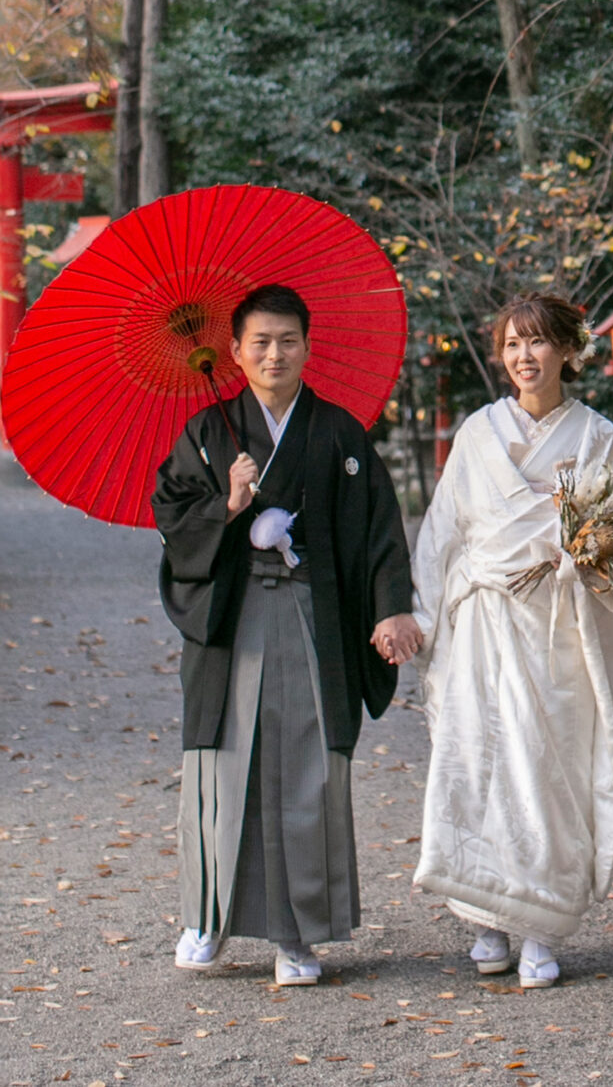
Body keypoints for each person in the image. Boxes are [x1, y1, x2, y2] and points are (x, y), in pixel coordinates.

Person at [151, 283, 422, 987]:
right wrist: (229, 505)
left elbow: (379, 534)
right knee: (224, 766)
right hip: (233, 618)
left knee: (306, 770)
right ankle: (207, 918)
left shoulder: (337, 434)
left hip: (312, 616)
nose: (274, 353)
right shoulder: (208, 434)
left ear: (307, 347)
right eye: (260, 342)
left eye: (288, 340)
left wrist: (391, 608)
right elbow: (171, 516)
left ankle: (297, 934)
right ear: (235, 351)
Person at [407, 292, 613, 989]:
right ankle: (488, 920)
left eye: (537, 343)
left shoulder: (596, 436)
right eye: (511, 345)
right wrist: (422, 614)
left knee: (543, 771)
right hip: (480, 621)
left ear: (568, 349)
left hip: (558, 628)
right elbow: (444, 531)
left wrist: (587, 554)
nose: (523, 357)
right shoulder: (477, 432)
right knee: (478, 764)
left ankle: (540, 926)